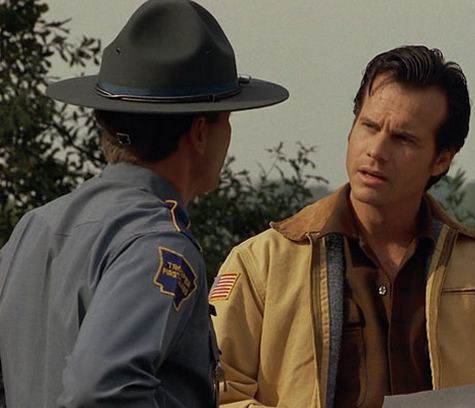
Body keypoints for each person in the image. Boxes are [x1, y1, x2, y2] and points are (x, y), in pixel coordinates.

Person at [210, 45, 475, 408]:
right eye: (370, 126)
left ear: (441, 159)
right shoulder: (263, 264)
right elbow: (217, 394)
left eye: (403, 138)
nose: (376, 150)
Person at [0, 0, 288, 406]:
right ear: (201, 132)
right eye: (227, 118)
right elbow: (102, 390)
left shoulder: (35, 226)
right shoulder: (159, 243)